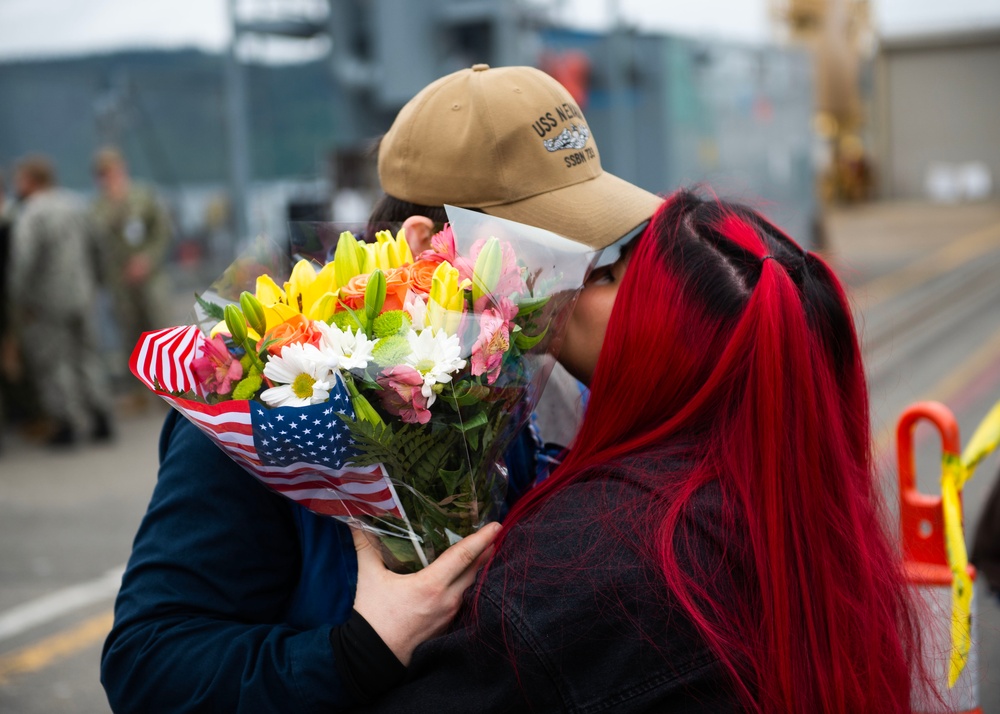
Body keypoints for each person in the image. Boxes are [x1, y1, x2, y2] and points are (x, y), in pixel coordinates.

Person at [101, 64, 662, 712]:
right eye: (553, 246)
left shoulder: (539, 374)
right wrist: (356, 651)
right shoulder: (270, 398)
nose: (580, 276)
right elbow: (148, 666)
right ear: (428, 245)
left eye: (601, 248)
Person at [348, 190, 924, 712]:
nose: (575, 277)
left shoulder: (577, 566)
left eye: (612, 273)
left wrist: (360, 648)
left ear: (665, 343)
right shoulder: (804, 517)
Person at [4, 156, 114, 446]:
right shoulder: (76, 205)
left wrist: (19, 301)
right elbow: (98, 248)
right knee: (88, 355)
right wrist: (97, 282)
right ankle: (101, 416)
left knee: (54, 363)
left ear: (30, 181)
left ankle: (66, 424)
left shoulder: (31, 214)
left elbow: (22, 263)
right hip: (83, 293)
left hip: (46, 302)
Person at [90, 147, 173, 391]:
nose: (110, 178)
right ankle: (139, 390)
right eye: (104, 174)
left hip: (150, 277)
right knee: (130, 336)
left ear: (122, 169)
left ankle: (171, 386)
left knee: (159, 330)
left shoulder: (142, 196)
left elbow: (162, 232)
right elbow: (99, 244)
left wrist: (148, 259)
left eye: (113, 171)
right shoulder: (97, 208)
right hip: (119, 281)